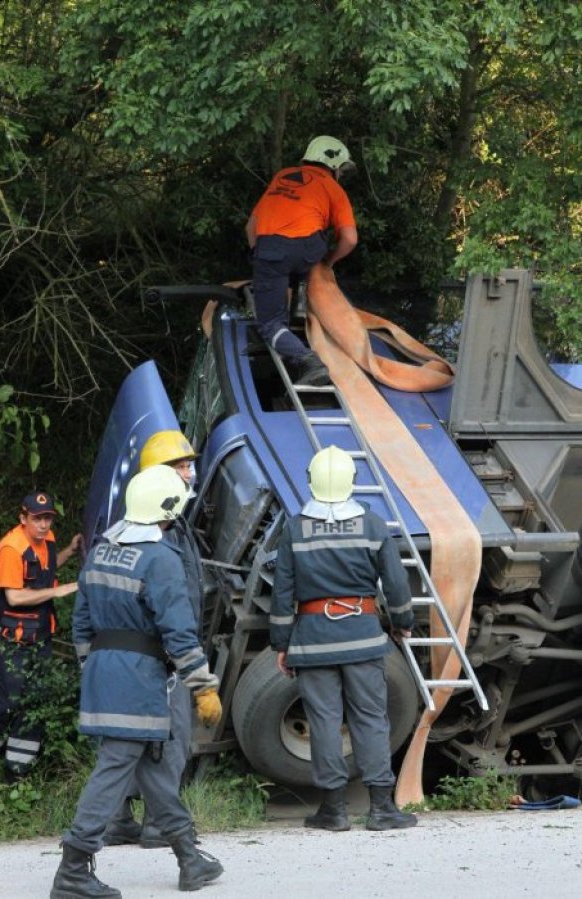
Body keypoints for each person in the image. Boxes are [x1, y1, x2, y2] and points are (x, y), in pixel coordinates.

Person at [50, 465, 223, 899]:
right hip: (140, 678)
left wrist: (97, 670)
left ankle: (189, 858)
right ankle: (73, 868)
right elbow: (179, 631)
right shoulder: (160, 558)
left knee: (151, 768)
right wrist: (201, 685)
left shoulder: (102, 551)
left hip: (105, 673)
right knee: (114, 768)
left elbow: (82, 624)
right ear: (167, 510)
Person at [270, 445, 417, 832]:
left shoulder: (294, 528)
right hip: (363, 638)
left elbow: (282, 593)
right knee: (370, 717)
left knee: (323, 720)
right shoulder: (372, 524)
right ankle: (382, 809)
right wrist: (403, 621)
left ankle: (333, 811)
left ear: (311, 483)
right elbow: (396, 582)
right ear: (353, 482)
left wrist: (281, 644)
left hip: (313, 639)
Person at [104, 429, 205, 849]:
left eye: (187, 464)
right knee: (171, 733)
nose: (188, 472)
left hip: (129, 655)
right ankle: (160, 824)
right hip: (163, 655)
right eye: (179, 466)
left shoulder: (136, 526)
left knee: (124, 734)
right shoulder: (160, 529)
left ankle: (117, 819)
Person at [245, 135, 358, 386]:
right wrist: (327, 260)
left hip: (273, 247)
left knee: (269, 324)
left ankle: (308, 360)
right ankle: (298, 311)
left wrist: (261, 259)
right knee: (295, 267)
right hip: (310, 249)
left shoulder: (282, 176)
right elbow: (349, 239)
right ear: (334, 166)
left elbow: (251, 227)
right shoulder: (334, 188)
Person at [0, 491, 81, 778]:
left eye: (48, 518)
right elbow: (14, 597)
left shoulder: (47, 540)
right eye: (37, 519)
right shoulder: (12, 549)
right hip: (7, 640)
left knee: (34, 699)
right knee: (6, 701)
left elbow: (46, 569)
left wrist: (69, 551)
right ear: (23, 518)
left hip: (39, 638)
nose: (43, 524)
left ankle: (17, 771)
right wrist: (58, 591)